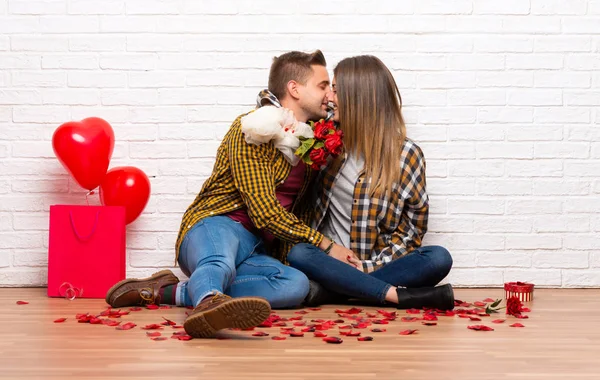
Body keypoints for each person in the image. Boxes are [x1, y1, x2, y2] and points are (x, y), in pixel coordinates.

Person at [104, 50, 353, 338]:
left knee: (294, 284)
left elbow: (300, 210)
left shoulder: (310, 140)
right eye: (323, 86)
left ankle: (170, 291)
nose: (330, 96)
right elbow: (265, 212)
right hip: (217, 225)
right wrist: (325, 244)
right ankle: (208, 301)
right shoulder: (252, 128)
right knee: (219, 262)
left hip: (255, 247)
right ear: (294, 89)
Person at [285, 55, 455, 310]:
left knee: (438, 258)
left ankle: (340, 290)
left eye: (337, 90)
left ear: (359, 97)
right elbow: (277, 102)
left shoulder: (406, 155)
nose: (330, 98)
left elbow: (411, 234)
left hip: (377, 264)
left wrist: (363, 268)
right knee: (298, 253)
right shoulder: (326, 139)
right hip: (326, 259)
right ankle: (390, 295)